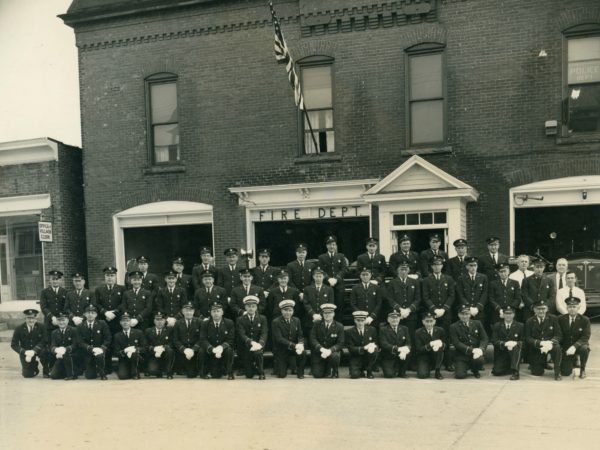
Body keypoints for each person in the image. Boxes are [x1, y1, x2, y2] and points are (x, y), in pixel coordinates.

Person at [421, 256, 456, 370]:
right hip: (432, 313)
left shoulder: (449, 279)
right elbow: (425, 297)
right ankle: (433, 362)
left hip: (445, 313)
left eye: (439, 264)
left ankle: (448, 362)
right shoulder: (426, 280)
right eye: (434, 265)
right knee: (432, 337)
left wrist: (444, 309)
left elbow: (452, 295)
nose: (437, 267)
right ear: (431, 267)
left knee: (446, 337)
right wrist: (434, 309)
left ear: (442, 266)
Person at [525, 301, 562, 380]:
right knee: (537, 373)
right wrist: (540, 343)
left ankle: (557, 372)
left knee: (557, 348)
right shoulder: (530, 321)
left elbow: (558, 335)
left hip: (550, 344)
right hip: (537, 347)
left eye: (543, 308)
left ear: (547, 309)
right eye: (538, 309)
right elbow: (528, 338)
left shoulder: (553, 318)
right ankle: (539, 363)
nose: (541, 311)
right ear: (534, 310)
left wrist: (551, 342)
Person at [449, 305, 488, 379]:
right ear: (458, 315)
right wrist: (471, 350)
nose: (464, 316)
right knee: (460, 375)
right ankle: (464, 366)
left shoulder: (477, 323)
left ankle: (475, 369)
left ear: (470, 314)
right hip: (461, 355)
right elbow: (456, 343)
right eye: (462, 314)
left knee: (480, 359)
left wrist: (481, 349)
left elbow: (484, 338)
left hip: (475, 353)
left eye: (467, 314)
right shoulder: (453, 327)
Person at [386, 262, 421, 342]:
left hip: (411, 315)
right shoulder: (392, 283)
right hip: (397, 315)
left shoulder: (415, 282)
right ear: (398, 270)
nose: (403, 271)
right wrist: (400, 309)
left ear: (408, 270)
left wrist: (409, 310)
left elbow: (418, 298)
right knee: (398, 337)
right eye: (401, 269)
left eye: (405, 269)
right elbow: (390, 299)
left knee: (411, 337)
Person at [199, 302, 235, 379]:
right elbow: (203, 339)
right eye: (214, 311)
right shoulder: (205, 323)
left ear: (222, 312)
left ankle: (229, 373)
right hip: (211, 351)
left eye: (218, 311)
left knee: (229, 350)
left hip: (223, 351)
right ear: (211, 313)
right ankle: (203, 372)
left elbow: (231, 339)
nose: (216, 313)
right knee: (201, 351)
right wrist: (212, 348)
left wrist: (221, 347)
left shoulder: (229, 323)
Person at [271, 299, 306, 379]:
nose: (288, 313)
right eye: (285, 310)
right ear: (281, 311)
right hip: (281, 350)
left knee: (303, 352)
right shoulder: (276, 322)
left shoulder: (296, 320)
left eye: (290, 310)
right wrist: (294, 345)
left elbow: (300, 335)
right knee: (281, 375)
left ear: (293, 311)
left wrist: (300, 344)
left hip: (294, 348)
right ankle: (281, 367)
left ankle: (300, 372)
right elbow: (279, 339)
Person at [236, 295, 268, 379]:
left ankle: (261, 372)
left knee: (258, 352)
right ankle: (253, 367)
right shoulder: (240, 319)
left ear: (256, 307)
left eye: (253, 306)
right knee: (249, 375)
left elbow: (264, 333)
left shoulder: (262, 318)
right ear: (245, 307)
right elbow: (242, 334)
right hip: (247, 346)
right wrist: (251, 342)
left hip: (259, 345)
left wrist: (260, 343)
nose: (251, 308)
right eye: (249, 306)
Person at [558, 297, 590, 379]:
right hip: (566, 347)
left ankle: (582, 369)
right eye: (569, 307)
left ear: (578, 308)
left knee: (584, 348)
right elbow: (559, 334)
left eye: (574, 307)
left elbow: (585, 337)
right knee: (565, 373)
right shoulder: (561, 319)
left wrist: (574, 346)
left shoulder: (585, 320)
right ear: (566, 308)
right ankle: (572, 360)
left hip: (578, 346)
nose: (572, 309)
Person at [309, 303, 344, 378]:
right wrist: (320, 348)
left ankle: (334, 370)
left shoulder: (339, 326)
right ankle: (326, 369)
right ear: (322, 314)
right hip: (319, 353)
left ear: (333, 314)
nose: (327, 315)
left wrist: (330, 350)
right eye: (325, 313)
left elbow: (340, 343)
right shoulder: (317, 324)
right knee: (317, 375)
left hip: (331, 353)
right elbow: (312, 339)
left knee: (335, 356)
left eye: (330, 313)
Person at [77, 304, 111, 379]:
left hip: (100, 351)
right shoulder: (80, 326)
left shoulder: (102, 323)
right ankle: (94, 369)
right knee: (90, 376)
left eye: (93, 313)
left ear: (96, 315)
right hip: (88, 352)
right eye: (88, 313)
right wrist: (90, 348)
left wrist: (102, 348)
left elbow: (108, 338)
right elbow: (80, 342)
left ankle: (102, 372)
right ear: (84, 314)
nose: (90, 315)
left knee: (100, 355)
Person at [11, 309, 48, 378]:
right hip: (26, 352)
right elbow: (14, 344)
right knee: (27, 375)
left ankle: (46, 370)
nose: (31, 320)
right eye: (28, 318)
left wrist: (34, 350)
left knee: (45, 352)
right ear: (25, 318)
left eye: (33, 318)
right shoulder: (19, 328)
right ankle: (34, 365)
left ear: (36, 318)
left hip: (38, 350)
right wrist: (24, 352)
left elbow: (44, 341)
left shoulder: (41, 326)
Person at [490, 305, 523, 380]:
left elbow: (523, 341)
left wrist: (515, 343)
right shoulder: (497, 325)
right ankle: (508, 367)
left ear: (514, 314)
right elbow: (494, 341)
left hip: (514, 353)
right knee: (497, 372)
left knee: (516, 348)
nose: (508, 315)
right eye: (506, 313)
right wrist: (505, 344)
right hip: (502, 352)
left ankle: (515, 372)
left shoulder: (520, 326)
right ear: (503, 314)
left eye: (510, 313)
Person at [317, 236, 348, 312]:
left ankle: (338, 323)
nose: (332, 246)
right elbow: (321, 270)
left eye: (333, 244)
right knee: (327, 307)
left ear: (336, 246)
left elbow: (344, 269)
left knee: (339, 307)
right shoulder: (322, 257)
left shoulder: (341, 256)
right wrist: (328, 279)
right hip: (326, 286)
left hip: (339, 286)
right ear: (326, 246)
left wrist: (336, 279)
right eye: (330, 245)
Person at [345, 311, 379, 379]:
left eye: (362, 320)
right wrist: (364, 348)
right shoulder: (349, 332)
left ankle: (369, 370)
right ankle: (360, 370)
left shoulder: (372, 330)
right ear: (354, 320)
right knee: (354, 375)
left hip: (368, 356)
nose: (360, 323)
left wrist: (372, 346)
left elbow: (376, 343)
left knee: (374, 351)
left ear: (365, 320)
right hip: (356, 357)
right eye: (358, 320)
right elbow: (351, 348)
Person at [303, 267, 334, 338]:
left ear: (323, 277)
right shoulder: (307, 289)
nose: (318, 278)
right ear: (313, 277)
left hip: (324, 318)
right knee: (311, 339)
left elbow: (330, 304)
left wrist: (320, 315)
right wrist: (313, 314)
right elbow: (306, 303)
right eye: (316, 276)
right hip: (310, 318)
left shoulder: (329, 289)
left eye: (320, 276)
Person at [173, 302, 203, 378]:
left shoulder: (199, 322)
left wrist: (193, 349)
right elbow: (175, 340)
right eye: (186, 310)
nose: (188, 312)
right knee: (190, 374)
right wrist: (184, 349)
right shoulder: (178, 323)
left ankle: (201, 369)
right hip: (183, 351)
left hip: (196, 351)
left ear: (193, 311)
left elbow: (202, 338)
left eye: (190, 310)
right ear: (183, 312)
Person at [94, 266, 125, 338]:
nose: (109, 278)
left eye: (112, 275)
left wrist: (115, 312)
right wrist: (105, 312)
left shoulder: (122, 288)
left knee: (117, 338)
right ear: (104, 277)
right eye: (107, 275)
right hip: (104, 319)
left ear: (115, 277)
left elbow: (123, 303)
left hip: (118, 319)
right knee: (105, 337)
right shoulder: (99, 289)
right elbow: (97, 303)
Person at [113, 313, 146, 380]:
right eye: (123, 321)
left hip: (136, 358)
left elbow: (144, 348)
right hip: (124, 360)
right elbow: (116, 352)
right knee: (122, 377)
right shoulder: (117, 336)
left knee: (134, 354)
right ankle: (128, 370)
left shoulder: (138, 333)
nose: (125, 323)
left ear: (130, 322)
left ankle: (135, 373)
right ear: (120, 323)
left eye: (127, 321)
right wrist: (125, 351)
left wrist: (135, 349)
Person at [379, 311, 411, 378]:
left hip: (401, 355)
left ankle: (401, 371)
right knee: (389, 375)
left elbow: (408, 343)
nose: (395, 320)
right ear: (388, 320)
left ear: (399, 319)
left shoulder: (404, 329)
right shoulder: (383, 330)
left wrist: (405, 350)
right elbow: (383, 344)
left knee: (408, 352)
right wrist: (397, 349)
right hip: (389, 356)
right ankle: (393, 369)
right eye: (392, 318)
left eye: (397, 318)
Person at [455, 256, 488, 323]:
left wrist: (478, 307)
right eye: (471, 265)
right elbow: (460, 294)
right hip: (466, 311)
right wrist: (469, 307)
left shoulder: (483, 277)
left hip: (479, 311)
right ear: (467, 267)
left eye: (475, 265)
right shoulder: (461, 278)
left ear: (477, 266)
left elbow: (485, 293)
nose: (473, 268)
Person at [414, 312, 445, 380]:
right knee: (422, 375)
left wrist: (441, 344)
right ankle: (428, 367)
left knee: (440, 348)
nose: (429, 323)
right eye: (427, 321)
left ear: (434, 322)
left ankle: (437, 370)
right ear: (423, 322)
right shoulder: (418, 332)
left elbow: (445, 344)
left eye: (431, 321)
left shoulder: (440, 330)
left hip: (436, 355)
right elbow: (419, 349)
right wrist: (430, 344)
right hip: (424, 356)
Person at [144, 312, 175, 379]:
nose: (159, 322)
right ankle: (159, 370)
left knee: (170, 350)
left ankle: (169, 372)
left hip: (166, 354)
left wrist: (163, 348)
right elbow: (145, 345)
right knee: (152, 371)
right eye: (157, 320)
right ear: (154, 321)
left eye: (161, 320)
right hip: (154, 355)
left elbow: (172, 343)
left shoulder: (170, 330)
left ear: (165, 321)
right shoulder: (148, 331)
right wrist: (153, 348)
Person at [40, 269, 67, 342]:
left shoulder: (65, 292)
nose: (55, 281)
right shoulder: (44, 292)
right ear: (50, 280)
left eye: (57, 279)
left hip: (62, 322)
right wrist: (52, 317)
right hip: (49, 322)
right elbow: (43, 307)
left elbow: (66, 307)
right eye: (53, 279)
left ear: (60, 280)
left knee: (62, 341)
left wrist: (60, 318)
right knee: (49, 342)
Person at [49, 313, 77, 380]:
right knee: (53, 376)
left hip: (72, 357)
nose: (61, 322)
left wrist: (65, 349)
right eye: (59, 320)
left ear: (67, 320)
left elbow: (75, 345)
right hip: (60, 356)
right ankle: (65, 372)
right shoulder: (54, 332)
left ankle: (71, 375)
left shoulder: (74, 330)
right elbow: (52, 345)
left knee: (67, 356)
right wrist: (56, 350)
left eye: (63, 320)